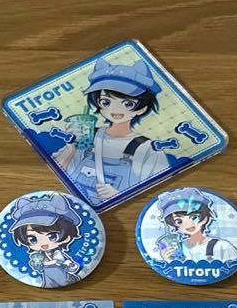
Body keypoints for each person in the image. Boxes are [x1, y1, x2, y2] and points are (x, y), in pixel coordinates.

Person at [52, 56, 167, 203]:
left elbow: (156, 192)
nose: (115, 109)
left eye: (128, 104)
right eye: (106, 102)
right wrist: (70, 148)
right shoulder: (87, 136)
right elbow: (57, 172)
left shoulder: (148, 149)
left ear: (142, 108)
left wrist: (119, 195)